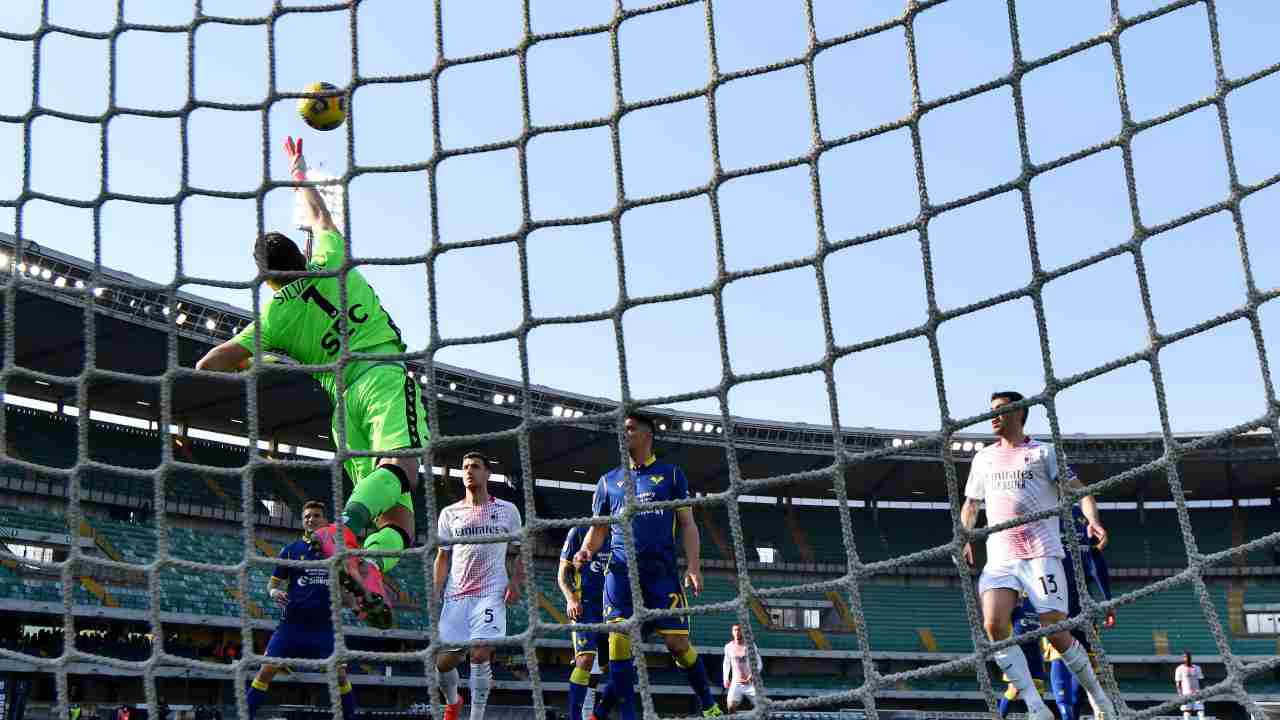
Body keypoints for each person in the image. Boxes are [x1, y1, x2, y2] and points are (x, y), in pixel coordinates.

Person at [195, 137, 426, 629]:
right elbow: (320, 215)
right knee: (404, 463)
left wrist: (250, 360)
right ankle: (345, 534)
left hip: (343, 410)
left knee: (401, 523)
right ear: (301, 255)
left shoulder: (273, 318)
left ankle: (367, 568)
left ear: (266, 280)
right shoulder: (332, 259)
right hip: (382, 374)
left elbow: (208, 364)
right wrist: (298, 172)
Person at [961, 391, 1115, 720]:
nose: (993, 416)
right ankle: (1034, 705)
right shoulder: (983, 458)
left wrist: (1094, 520)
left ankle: (1097, 695)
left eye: (1000, 411)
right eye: (991, 411)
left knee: (1055, 632)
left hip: (1040, 555)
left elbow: (1081, 491)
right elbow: (971, 504)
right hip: (1000, 556)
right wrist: (964, 536)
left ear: (1020, 413)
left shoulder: (1043, 452)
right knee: (993, 624)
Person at [575, 413, 722, 720]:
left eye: (629, 428)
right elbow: (599, 529)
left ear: (647, 434)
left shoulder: (671, 475)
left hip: (661, 575)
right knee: (618, 640)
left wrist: (693, 566)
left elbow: (688, 524)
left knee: (677, 644)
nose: (623, 433)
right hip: (619, 575)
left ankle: (709, 706)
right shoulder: (608, 481)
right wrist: (587, 550)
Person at [433, 452, 525, 720]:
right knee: (443, 664)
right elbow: (442, 556)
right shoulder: (449, 514)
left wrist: (516, 581)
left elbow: (519, 551)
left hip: (491, 593)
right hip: (456, 595)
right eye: (464, 467)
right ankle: (453, 701)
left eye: (475, 467)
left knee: (480, 652)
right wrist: (436, 589)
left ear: (487, 474)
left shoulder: (508, 511)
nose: (468, 471)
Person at [246, 502, 356, 720]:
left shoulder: (337, 554)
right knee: (266, 670)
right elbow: (272, 585)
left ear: (324, 521)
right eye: (307, 516)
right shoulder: (290, 551)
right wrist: (274, 592)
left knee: (340, 677)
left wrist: (352, 601)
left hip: (324, 628)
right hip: (291, 626)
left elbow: (346, 594)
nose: (311, 519)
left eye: (316, 516)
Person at [559, 524, 612, 720]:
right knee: (585, 660)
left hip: (613, 607)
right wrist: (571, 599)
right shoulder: (578, 532)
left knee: (620, 669)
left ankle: (596, 715)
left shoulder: (623, 534)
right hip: (585, 606)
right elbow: (563, 572)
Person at [997, 597, 1047, 719]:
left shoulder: (1039, 602)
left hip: (1035, 650)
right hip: (1018, 650)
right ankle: (999, 717)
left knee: (1039, 687)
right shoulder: (1012, 599)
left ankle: (1037, 716)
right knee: (1014, 689)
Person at [722, 624, 763, 712]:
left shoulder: (751, 646)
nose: (737, 632)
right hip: (736, 683)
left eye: (739, 630)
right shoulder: (728, 647)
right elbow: (726, 663)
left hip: (751, 683)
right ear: (732, 632)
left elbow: (759, 663)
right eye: (735, 630)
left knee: (762, 707)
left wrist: (752, 676)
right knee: (730, 707)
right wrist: (725, 678)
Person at [1176, 652, 1206, 720]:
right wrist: (1180, 695)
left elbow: (1201, 681)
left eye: (1188, 656)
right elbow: (1178, 683)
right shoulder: (1179, 669)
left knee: (1201, 712)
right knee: (1187, 713)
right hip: (1186, 694)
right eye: (1185, 657)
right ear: (1183, 658)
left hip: (1197, 693)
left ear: (1191, 658)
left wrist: (1203, 692)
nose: (1187, 658)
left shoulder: (1197, 668)